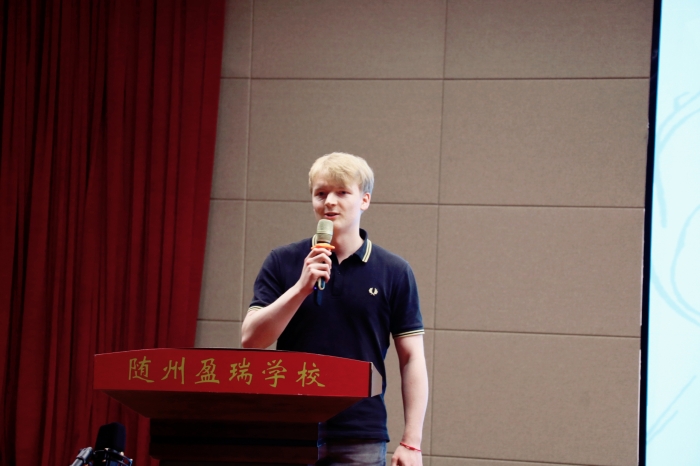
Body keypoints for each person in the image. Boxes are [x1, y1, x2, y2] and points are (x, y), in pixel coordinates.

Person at [241, 152, 428, 466]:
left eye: (342, 192)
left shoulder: (394, 271)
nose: (330, 201)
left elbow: (412, 358)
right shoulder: (283, 261)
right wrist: (301, 287)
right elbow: (251, 340)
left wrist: (412, 442)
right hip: (288, 429)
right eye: (321, 193)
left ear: (364, 200)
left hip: (360, 434)